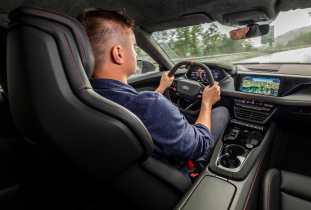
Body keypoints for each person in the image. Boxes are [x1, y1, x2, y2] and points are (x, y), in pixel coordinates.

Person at [78, 9, 230, 166]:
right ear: (118, 53)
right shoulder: (151, 104)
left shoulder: (85, 97)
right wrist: (207, 103)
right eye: (134, 47)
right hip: (183, 177)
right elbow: (201, 144)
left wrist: (161, 88)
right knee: (222, 111)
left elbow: (138, 111)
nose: (136, 55)